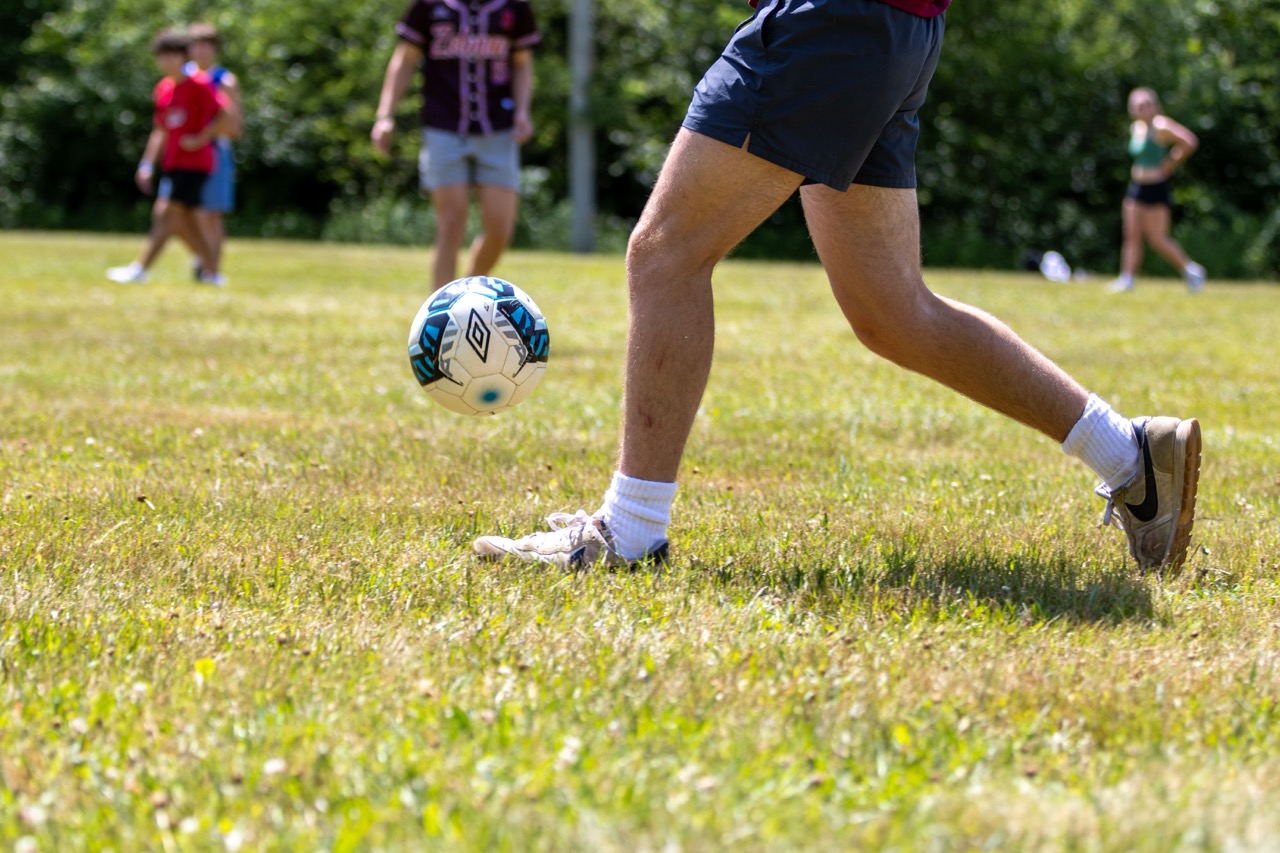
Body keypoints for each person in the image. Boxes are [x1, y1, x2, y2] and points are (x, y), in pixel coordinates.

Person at [471, 0, 1203, 575]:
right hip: (895, 27)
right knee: (893, 312)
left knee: (666, 256)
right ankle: (1131, 455)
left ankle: (629, 531)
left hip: (829, 20)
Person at [371, 0, 540, 289]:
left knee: (500, 228)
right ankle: (438, 318)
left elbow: (522, 64)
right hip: (443, 128)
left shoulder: (514, 7)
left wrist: (523, 112)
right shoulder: (429, 5)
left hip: (498, 129)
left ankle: (467, 292)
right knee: (451, 222)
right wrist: (385, 114)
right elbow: (406, 58)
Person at [107, 29, 232, 286]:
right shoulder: (163, 89)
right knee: (182, 221)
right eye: (162, 56)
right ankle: (212, 271)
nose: (166, 62)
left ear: (183, 57)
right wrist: (146, 164)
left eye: (172, 56)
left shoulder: (199, 84)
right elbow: (161, 130)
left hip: (196, 163)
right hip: (173, 162)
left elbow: (224, 115)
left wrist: (200, 138)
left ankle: (140, 269)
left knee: (165, 213)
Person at [1108, 87, 1206, 294]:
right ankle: (1127, 278)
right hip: (1136, 186)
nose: (1140, 110)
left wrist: (1169, 164)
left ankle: (1191, 270)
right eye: (1136, 106)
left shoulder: (1161, 126)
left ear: (1153, 106)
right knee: (1131, 235)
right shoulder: (1136, 128)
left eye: (1144, 105)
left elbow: (1189, 141)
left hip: (1156, 187)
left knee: (1157, 239)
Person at [186, 22, 242, 280]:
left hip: (214, 152)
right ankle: (201, 260)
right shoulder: (182, 76)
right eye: (196, 44)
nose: (201, 50)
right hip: (184, 155)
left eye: (207, 45)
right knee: (183, 214)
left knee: (211, 215)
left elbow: (234, 128)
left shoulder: (225, 81)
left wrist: (202, 136)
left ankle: (212, 270)